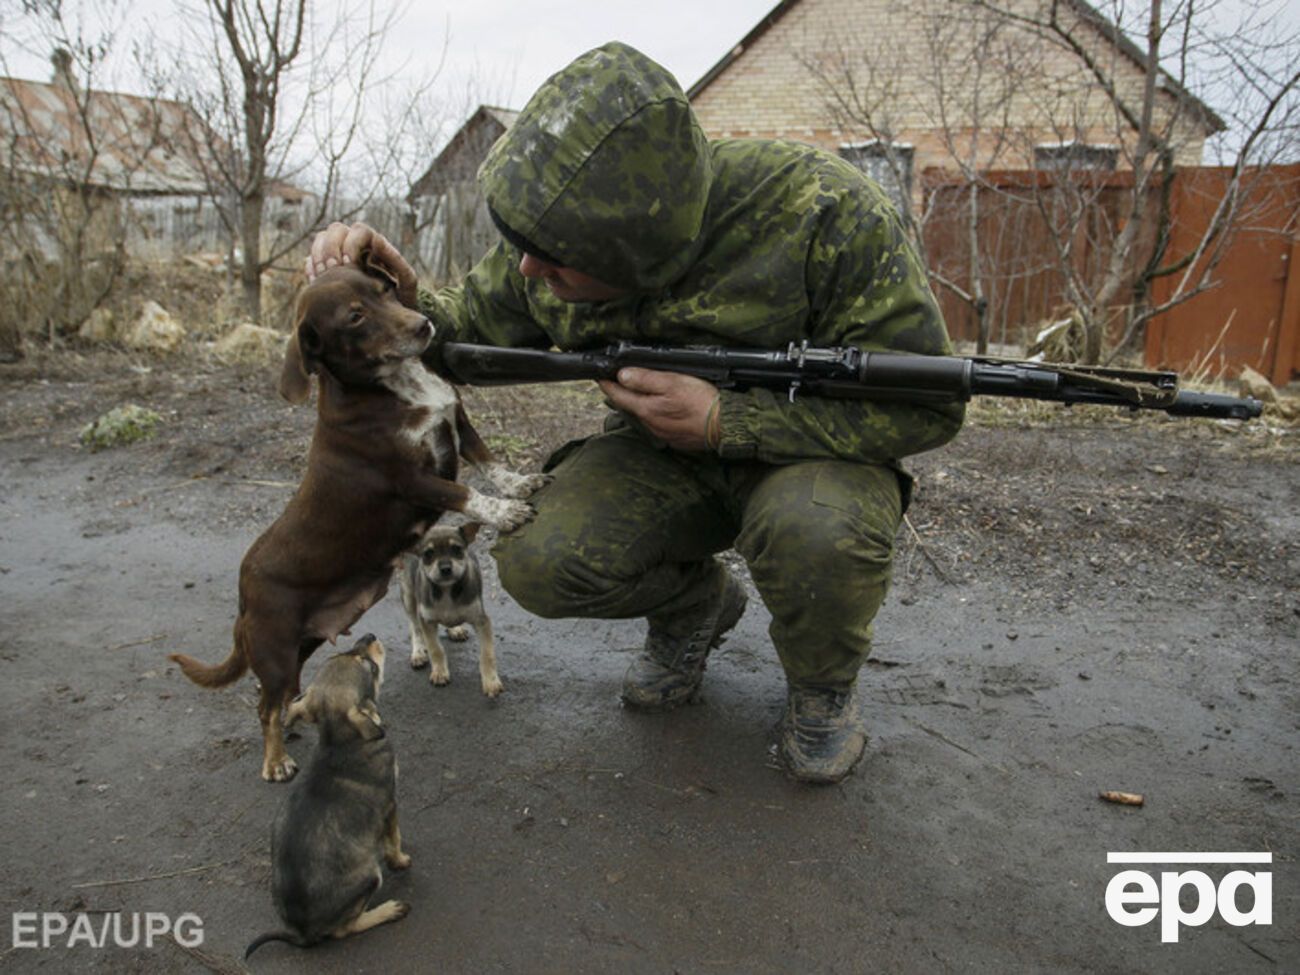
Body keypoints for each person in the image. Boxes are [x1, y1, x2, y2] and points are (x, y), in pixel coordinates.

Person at [307, 42, 963, 784]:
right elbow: (467, 335)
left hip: (814, 459)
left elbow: (929, 406)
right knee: (538, 554)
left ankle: (820, 686)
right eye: (526, 249)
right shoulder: (561, 242)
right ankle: (696, 606)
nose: (529, 269)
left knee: (816, 532)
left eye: (552, 257)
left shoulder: (823, 212)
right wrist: (392, 296)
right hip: (660, 459)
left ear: (636, 249)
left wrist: (728, 423)